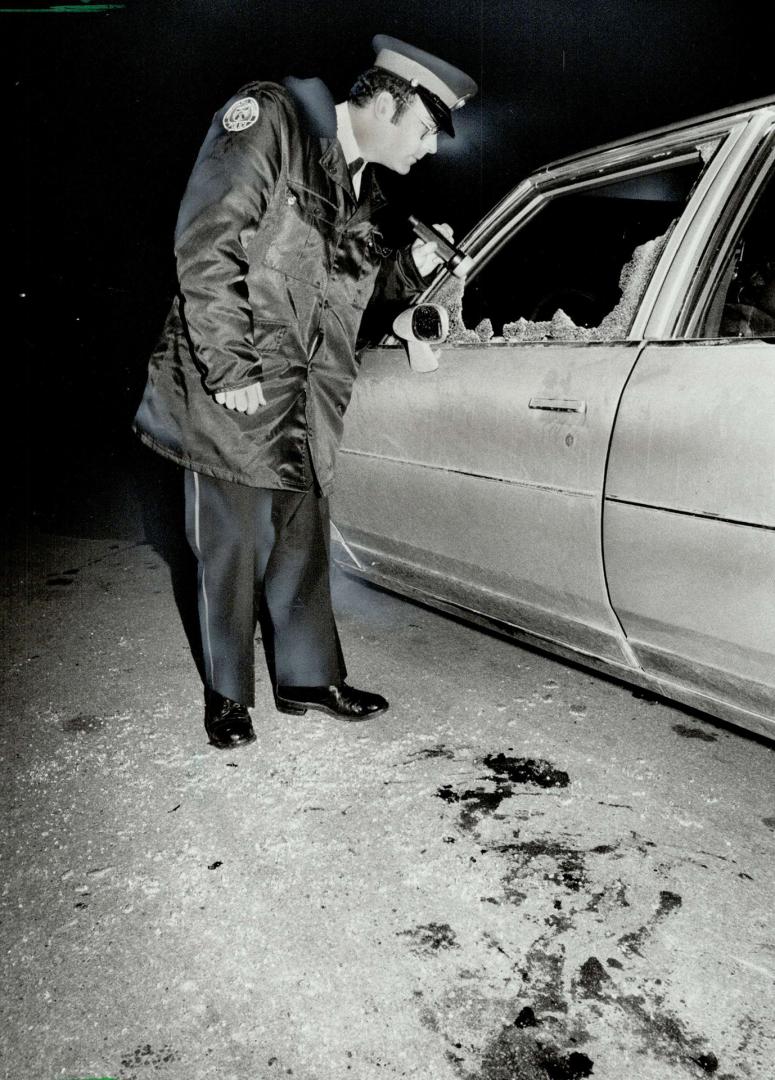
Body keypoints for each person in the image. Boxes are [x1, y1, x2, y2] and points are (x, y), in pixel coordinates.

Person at [133, 35, 478, 749]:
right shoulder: (269, 119)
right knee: (227, 546)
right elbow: (207, 240)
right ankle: (227, 696)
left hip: (306, 395)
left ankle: (307, 678)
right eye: (423, 130)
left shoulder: (363, 190)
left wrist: (406, 270)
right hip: (235, 384)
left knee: (301, 541)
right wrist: (229, 368)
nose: (431, 149)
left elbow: (342, 293)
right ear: (385, 102)